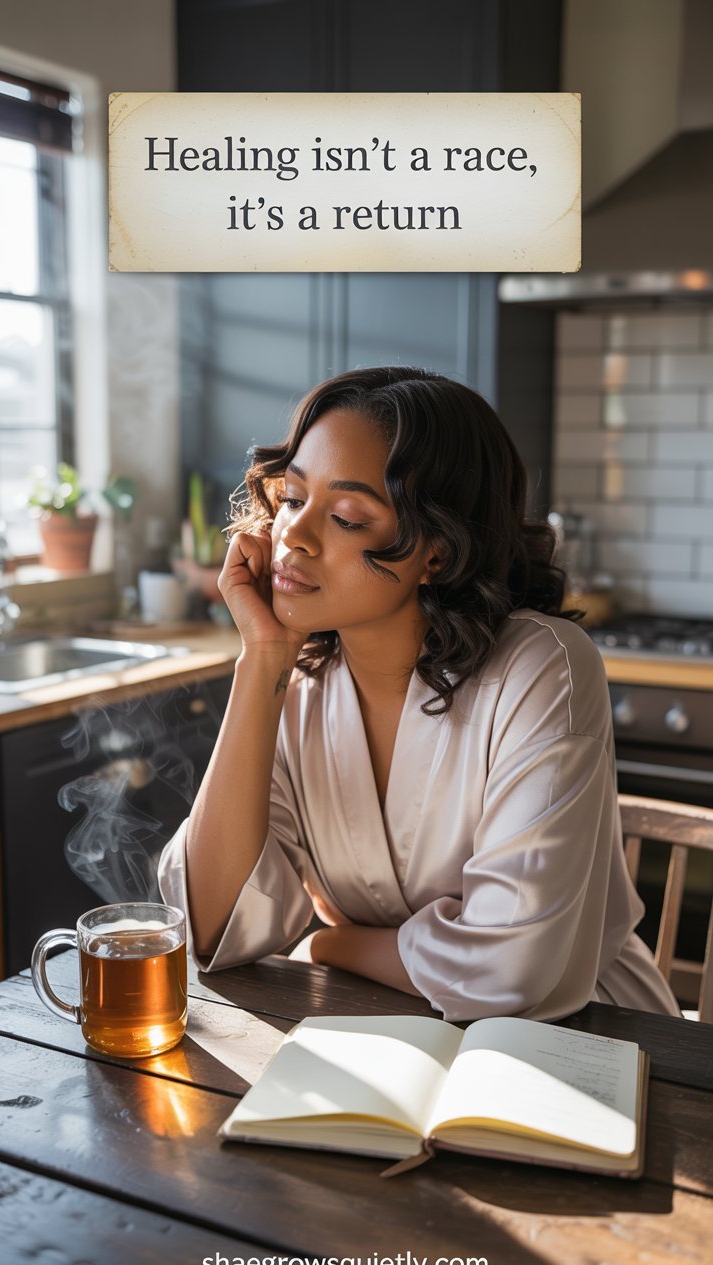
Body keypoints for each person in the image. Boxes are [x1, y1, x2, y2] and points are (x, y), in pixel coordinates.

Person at [158, 366, 680, 1021]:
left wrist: (329, 947)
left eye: (346, 515)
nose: (295, 533)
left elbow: (507, 972)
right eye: (293, 498)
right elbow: (209, 928)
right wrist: (261, 659)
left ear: (435, 551)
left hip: (574, 1040)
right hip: (368, 1029)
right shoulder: (298, 684)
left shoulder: (542, 668)